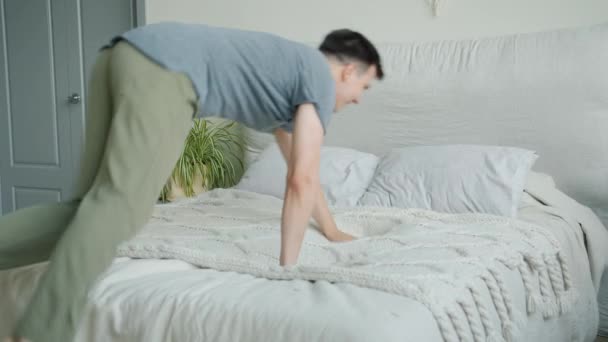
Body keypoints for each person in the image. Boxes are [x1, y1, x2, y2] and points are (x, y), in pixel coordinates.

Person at [1, 22, 384, 342]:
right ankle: (41, 331)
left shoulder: (291, 76)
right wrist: (287, 269)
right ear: (349, 71)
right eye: (364, 87)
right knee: (123, 207)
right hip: (165, 70)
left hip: (122, 54)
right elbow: (301, 181)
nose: (359, 100)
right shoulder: (318, 77)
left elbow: (300, 173)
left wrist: (331, 230)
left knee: (90, 210)